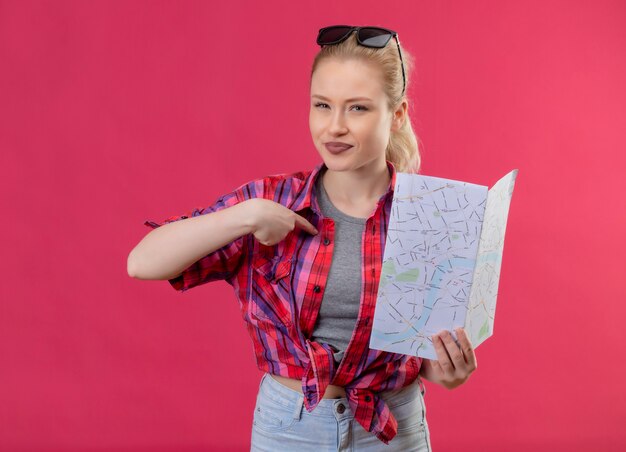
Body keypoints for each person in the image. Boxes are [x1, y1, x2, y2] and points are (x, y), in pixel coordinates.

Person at [128, 25, 477, 452]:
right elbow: (142, 262)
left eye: (358, 109)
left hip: (392, 432)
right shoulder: (273, 201)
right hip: (289, 431)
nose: (334, 127)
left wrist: (449, 371)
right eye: (322, 105)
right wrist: (248, 215)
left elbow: (427, 360)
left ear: (397, 113)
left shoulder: (428, 215)